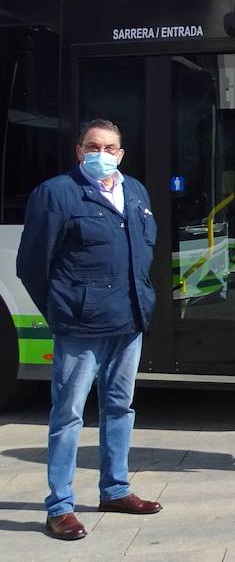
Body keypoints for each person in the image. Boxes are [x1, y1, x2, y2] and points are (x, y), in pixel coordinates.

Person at [16, 118, 163, 541]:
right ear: (79, 151)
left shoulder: (135, 191)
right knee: (69, 414)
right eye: (93, 146)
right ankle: (59, 506)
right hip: (80, 325)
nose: (102, 154)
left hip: (128, 320)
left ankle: (115, 489)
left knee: (120, 408)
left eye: (110, 147)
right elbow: (31, 265)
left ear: (122, 152)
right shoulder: (56, 193)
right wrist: (62, 309)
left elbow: (143, 251)